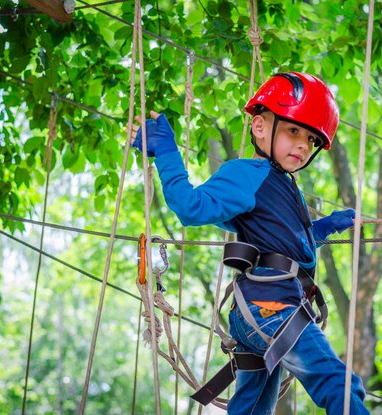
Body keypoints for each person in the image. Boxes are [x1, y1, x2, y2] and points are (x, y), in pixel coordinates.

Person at [131, 72, 369, 415]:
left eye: (311, 140)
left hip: (263, 311)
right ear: (259, 127)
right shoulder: (247, 174)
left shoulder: (284, 185)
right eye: (293, 131)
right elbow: (190, 206)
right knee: (337, 383)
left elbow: (284, 244)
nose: (303, 144)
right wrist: (167, 152)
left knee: (253, 408)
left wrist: (323, 228)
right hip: (270, 309)